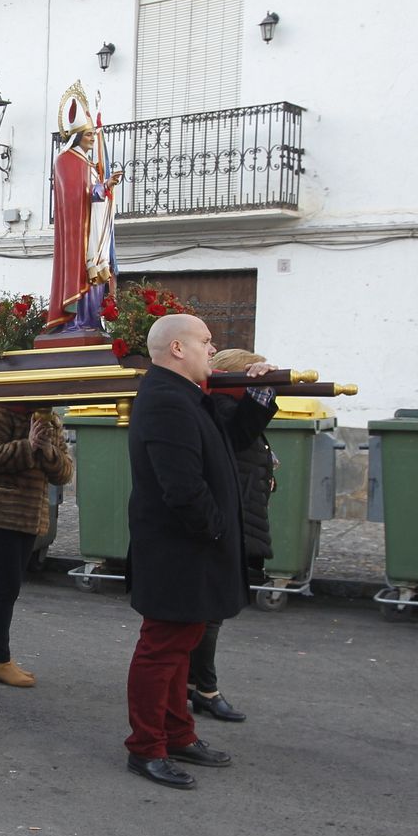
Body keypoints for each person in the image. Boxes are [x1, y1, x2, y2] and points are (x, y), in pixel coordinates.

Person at [124, 315, 276, 789]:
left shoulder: (187, 396)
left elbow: (231, 443)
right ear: (176, 349)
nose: (213, 350)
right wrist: (216, 534)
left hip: (190, 550)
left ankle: (177, 734)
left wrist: (260, 396)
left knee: (179, 649)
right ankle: (146, 747)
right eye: (205, 342)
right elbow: (183, 487)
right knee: (161, 650)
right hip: (178, 553)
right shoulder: (167, 401)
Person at [191, 348, 281, 723]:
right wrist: (262, 390)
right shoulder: (221, 406)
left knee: (212, 613)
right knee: (211, 612)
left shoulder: (226, 406)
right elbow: (240, 432)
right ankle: (204, 688)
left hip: (240, 520)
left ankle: (195, 683)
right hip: (230, 523)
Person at [0, 405, 73, 688]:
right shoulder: (2, 413)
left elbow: (64, 473)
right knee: (5, 588)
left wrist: (48, 450)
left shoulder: (51, 420)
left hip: (27, 518)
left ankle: (0, 659)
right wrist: (27, 446)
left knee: (9, 588)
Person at [48, 82, 121, 333]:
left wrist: (105, 187)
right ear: (78, 136)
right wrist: (101, 189)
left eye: (93, 134)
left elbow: (91, 194)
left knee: (97, 272)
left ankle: (91, 320)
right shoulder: (66, 160)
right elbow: (74, 197)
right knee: (83, 273)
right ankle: (78, 320)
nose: (93, 138)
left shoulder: (88, 165)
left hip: (94, 232)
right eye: (89, 135)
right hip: (79, 232)